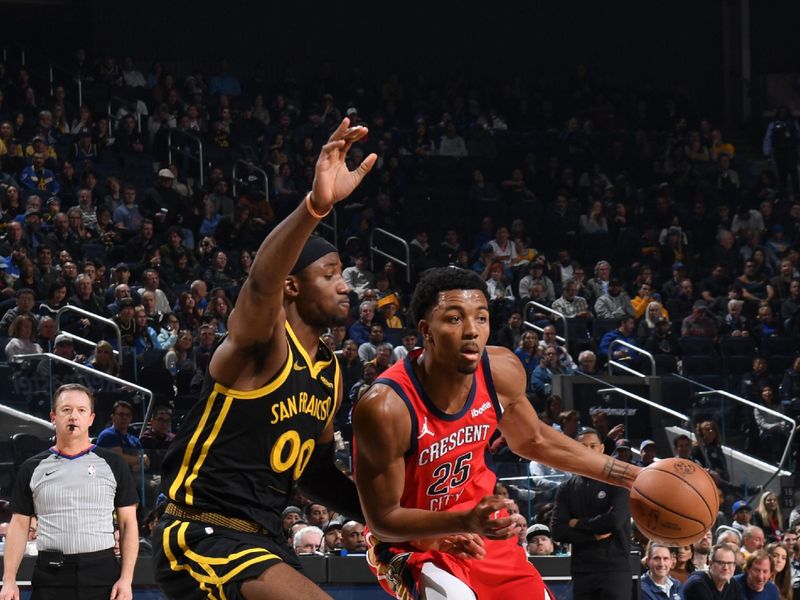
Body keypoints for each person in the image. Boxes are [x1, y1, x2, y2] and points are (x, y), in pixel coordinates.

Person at [153, 118, 376, 600]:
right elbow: (259, 282)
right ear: (293, 286)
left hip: (265, 538)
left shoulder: (331, 373)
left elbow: (315, 474)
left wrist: (388, 519)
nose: (344, 285)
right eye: (330, 273)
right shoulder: (263, 343)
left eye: (345, 274)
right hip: (201, 530)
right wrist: (315, 207)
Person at [352, 266, 644, 600]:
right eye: (454, 319)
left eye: (481, 318)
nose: (472, 331)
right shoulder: (386, 407)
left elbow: (533, 439)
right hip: (414, 543)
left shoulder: (501, 371)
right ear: (426, 330)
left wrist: (632, 476)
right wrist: (459, 523)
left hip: (484, 530)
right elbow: (383, 520)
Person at [0, 384, 138, 600]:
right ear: (53, 416)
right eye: (66, 410)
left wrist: (127, 579)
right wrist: (9, 580)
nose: (74, 416)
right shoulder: (31, 467)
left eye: (81, 410)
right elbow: (19, 525)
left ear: (91, 418)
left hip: (102, 575)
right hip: (50, 577)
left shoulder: (114, 464)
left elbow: (128, 524)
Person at [551, 427, 633, 600]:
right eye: (583, 446)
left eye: (593, 446)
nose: (588, 450)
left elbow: (614, 521)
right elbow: (557, 530)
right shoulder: (566, 488)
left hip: (614, 570)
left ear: (602, 448)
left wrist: (577, 523)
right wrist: (594, 536)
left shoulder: (619, 482)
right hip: (582, 571)